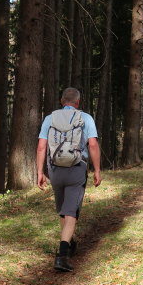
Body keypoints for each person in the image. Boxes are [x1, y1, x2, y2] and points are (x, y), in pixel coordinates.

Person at [36, 87, 101, 272]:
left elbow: (42, 147)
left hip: (55, 169)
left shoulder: (50, 118)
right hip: (76, 168)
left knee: (64, 210)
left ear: (61, 101)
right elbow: (93, 144)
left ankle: (69, 242)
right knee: (71, 212)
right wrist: (97, 169)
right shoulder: (86, 118)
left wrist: (40, 172)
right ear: (78, 102)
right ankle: (62, 255)